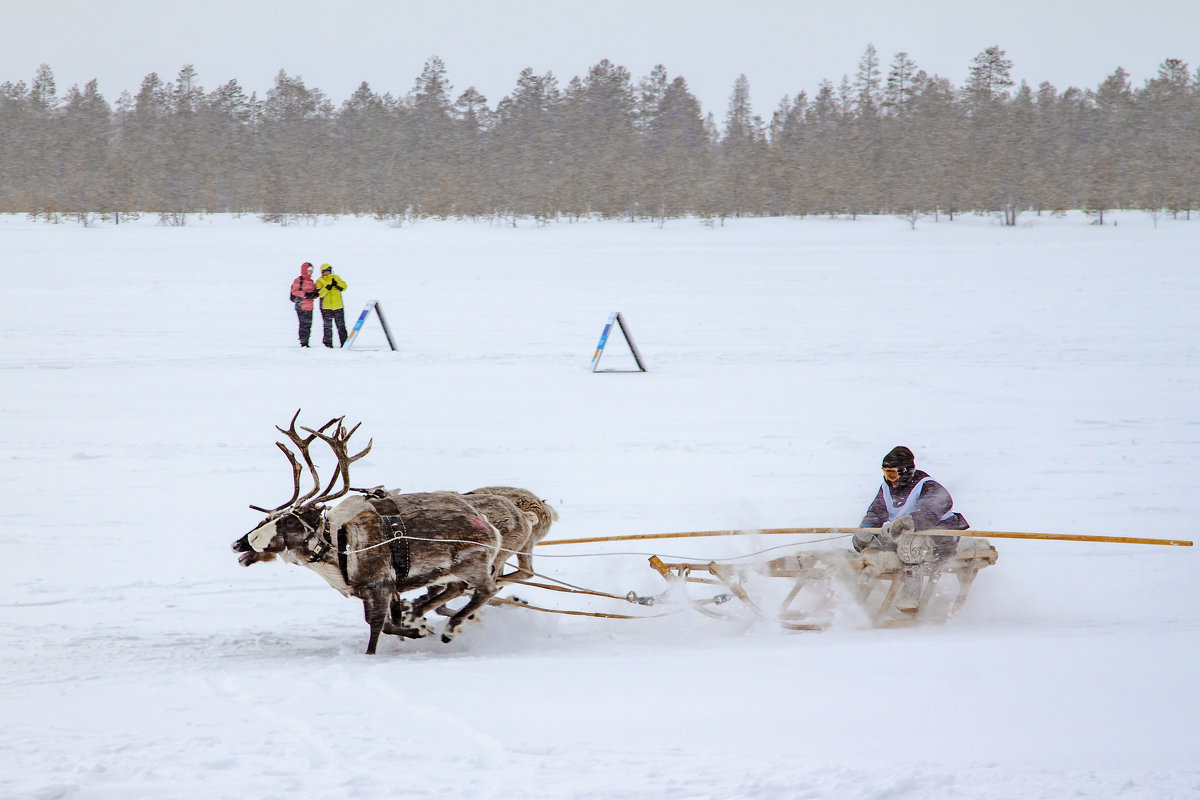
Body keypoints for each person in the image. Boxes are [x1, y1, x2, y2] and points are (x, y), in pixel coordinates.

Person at [852, 445, 969, 612]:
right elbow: (876, 512)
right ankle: (862, 596)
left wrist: (907, 522)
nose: (888, 478)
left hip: (941, 539)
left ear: (905, 471)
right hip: (905, 536)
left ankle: (911, 596)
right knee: (872, 543)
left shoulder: (927, 485)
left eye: (891, 474)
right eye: (885, 473)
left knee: (909, 546)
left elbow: (933, 511)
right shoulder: (886, 488)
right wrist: (866, 529)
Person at [315, 263, 348, 348]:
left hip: (338, 306)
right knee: (327, 326)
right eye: (325, 272)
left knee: (341, 326)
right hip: (326, 307)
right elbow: (319, 294)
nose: (327, 273)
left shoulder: (336, 278)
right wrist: (327, 288)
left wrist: (336, 284)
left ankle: (344, 343)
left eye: (328, 271)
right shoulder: (320, 280)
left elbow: (344, 286)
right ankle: (327, 343)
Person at [289, 262, 318, 347]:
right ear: (304, 270)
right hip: (301, 305)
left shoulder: (312, 281)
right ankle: (303, 342)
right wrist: (305, 294)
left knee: (308, 324)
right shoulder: (299, 280)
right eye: (309, 270)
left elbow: (314, 292)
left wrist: (315, 295)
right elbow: (295, 291)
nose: (311, 272)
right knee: (303, 324)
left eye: (312, 270)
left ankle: (306, 341)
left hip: (309, 306)